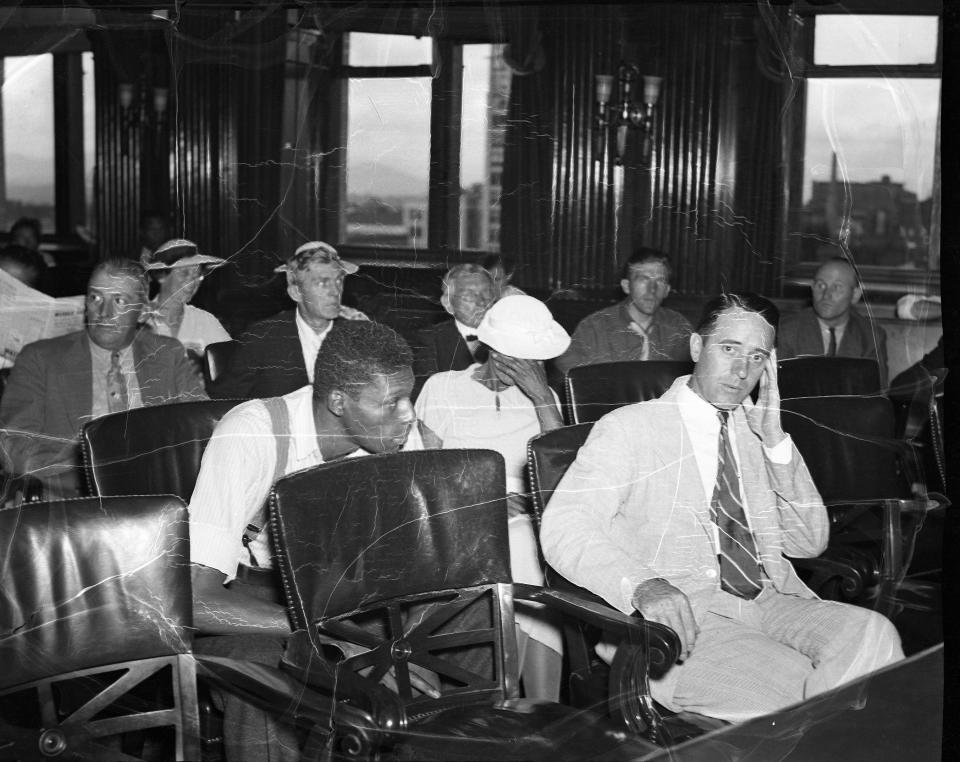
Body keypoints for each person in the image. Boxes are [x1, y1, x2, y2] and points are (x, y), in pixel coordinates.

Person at [540, 292, 903, 722]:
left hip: (770, 601)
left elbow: (809, 542)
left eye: (756, 357)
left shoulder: (758, 433)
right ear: (697, 347)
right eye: (729, 349)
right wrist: (643, 585)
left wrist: (774, 440)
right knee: (801, 689)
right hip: (684, 619)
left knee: (874, 634)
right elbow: (564, 526)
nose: (741, 371)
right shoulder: (630, 427)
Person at [189, 320, 428, 762]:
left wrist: (389, 639)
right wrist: (333, 634)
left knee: (470, 631)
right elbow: (197, 601)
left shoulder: (392, 435)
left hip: (343, 597)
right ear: (338, 401)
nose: (408, 414)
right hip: (253, 601)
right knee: (264, 677)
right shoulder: (251, 434)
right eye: (392, 401)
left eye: (408, 396)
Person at [415, 294, 569, 700]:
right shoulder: (442, 388)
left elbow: (563, 472)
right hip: (461, 516)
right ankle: (524, 706)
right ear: (494, 351)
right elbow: (422, 475)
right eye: (524, 359)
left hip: (532, 518)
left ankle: (525, 708)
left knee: (532, 543)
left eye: (538, 362)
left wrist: (540, 398)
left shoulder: (543, 399)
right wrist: (488, 500)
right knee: (525, 548)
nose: (532, 369)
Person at [0, 258, 206, 498]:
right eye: (95, 298)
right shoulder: (41, 359)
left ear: (141, 313)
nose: (104, 313)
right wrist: (92, 474)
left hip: (156, 501)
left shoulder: (167, 354)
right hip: (74, 505)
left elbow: (200, 434)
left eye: (119, 301)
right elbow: (13, 448)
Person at [208, 241, 367, 399]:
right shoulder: (263, 337)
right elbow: (222, 403)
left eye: (339, 280)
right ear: (296, 292)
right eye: (322, 283)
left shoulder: (358, 335)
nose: (335, 291)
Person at [553, 248, 692, 375]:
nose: (652, 289)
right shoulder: (595, 326)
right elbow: (568, 372)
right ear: (626, 286)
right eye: (644, 279)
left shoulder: (678, 327)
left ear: (667, 290)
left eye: (660, 281)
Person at [778, 257, 888, 384]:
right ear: (812, 288)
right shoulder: (786, 330)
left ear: (855, 295)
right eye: (821, 285)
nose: (826, 295)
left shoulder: (871, 337)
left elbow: (877, 395)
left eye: (837, 287)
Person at [141, 238, 231, 366]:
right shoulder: (139, 320)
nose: (192, 282)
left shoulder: (205, 322)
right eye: (184, 273)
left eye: (197, 275)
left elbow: (233, 369)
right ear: (161, 276)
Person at [413, 264, 495, 392]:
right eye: (469, 296)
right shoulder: (431, 339)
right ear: (448, 303)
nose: (482, 302)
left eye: (487, 294)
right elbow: (427, 392)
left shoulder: (508, 334)